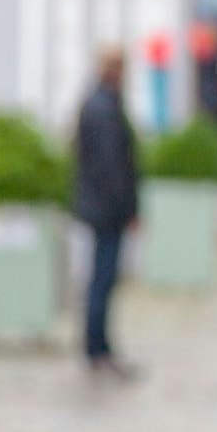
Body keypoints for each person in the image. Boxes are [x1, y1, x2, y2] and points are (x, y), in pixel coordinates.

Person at [72, 45, 140, 381]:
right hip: (106, 209)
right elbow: (111, 166)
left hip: (102, 205)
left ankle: (98, 348)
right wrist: (127, 208)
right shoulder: (103, 107)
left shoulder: (102, 102)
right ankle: (97, 349)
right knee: (102, 279)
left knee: (103, 278)